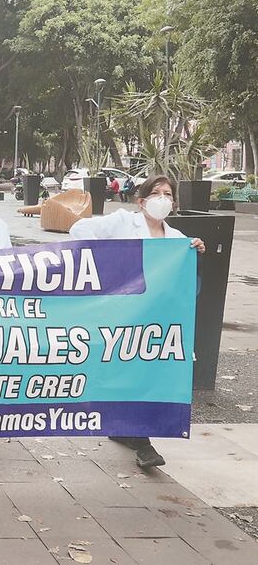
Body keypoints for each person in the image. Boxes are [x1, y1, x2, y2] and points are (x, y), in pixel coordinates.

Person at [70, 174, 205, 469]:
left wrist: (193, 253)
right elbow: (79, 229)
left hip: (155, 322)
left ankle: (125, 430)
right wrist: (111, 265)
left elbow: (186, 286)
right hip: (122, 317)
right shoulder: (121, 221)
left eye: (168, 194)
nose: (162, 199)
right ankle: (143, 444)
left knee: (143, 376)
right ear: (141, 200)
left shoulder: (177, 240)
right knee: (128, 374)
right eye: (156, 193)